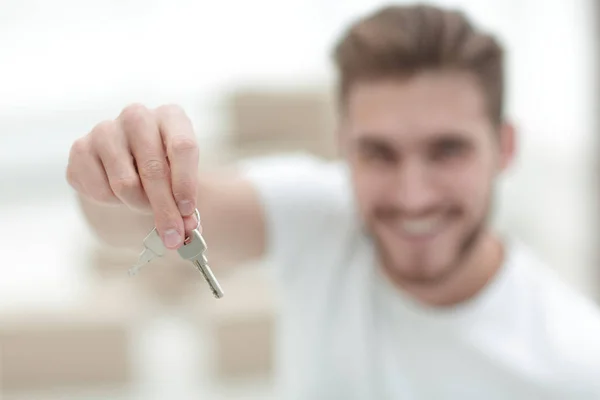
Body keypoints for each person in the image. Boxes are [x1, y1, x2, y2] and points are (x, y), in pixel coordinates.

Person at [66, 4, 600, 399]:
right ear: (344, 146)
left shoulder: (577, 365)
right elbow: (121, 221)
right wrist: (120, 175)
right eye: (379, 153)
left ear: (504, 148)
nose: (412, 197)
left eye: (447, 150)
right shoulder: (322, 217)